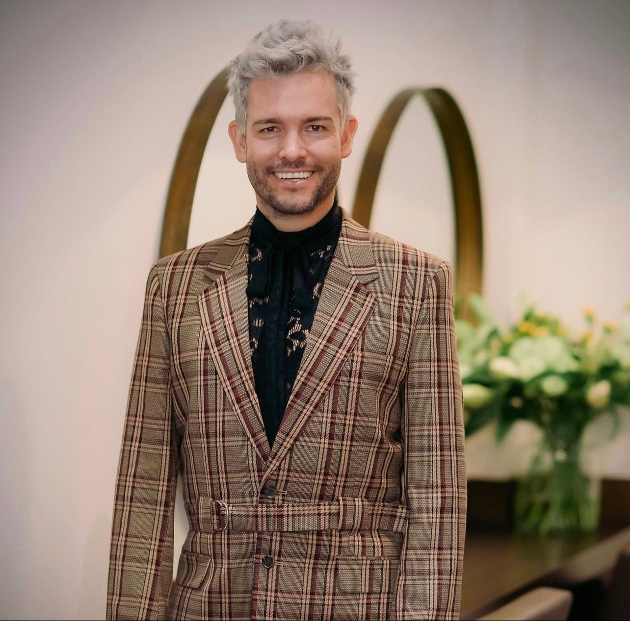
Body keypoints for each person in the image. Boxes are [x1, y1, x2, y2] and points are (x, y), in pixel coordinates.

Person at [107, 19, 466, 621]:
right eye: (269, 128)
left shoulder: (415, 282)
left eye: (315, 127)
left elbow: (437, 498)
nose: (292, 150)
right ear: (239, 139)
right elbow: (142, 493)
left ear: (347, 135)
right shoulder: (175, 286)